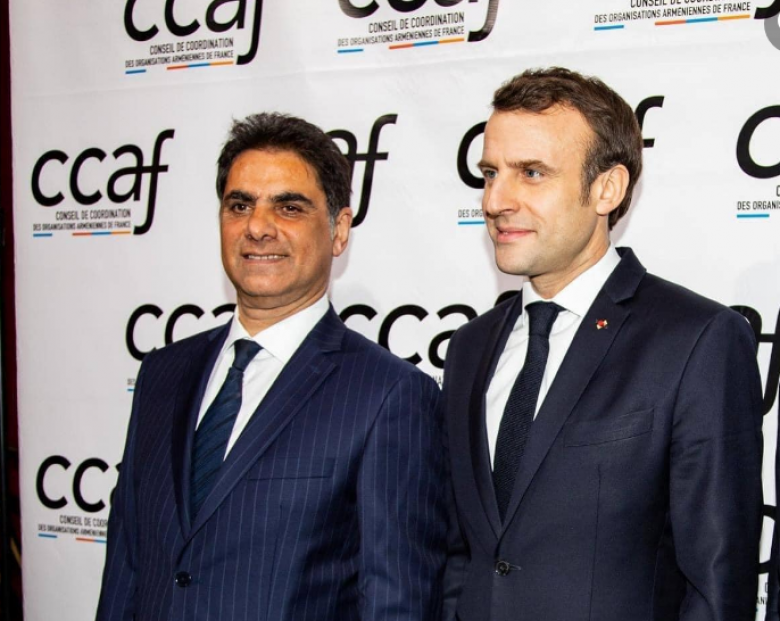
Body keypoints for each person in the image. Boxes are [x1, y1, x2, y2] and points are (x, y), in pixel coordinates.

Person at [442, 67, 763, 621]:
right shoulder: (470, 348)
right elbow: (459, 555)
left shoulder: (696, 340)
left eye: (532, 173)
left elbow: (717, 584)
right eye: (490, 173)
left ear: (607, 189)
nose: (496, 200)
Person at [96, 112, 446, 621]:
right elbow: (126, 566)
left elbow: (397, 603)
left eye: (289, 207)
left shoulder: (389, 396)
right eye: (240, 205)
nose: (258, 227)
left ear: (339, 230)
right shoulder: (162, 374)